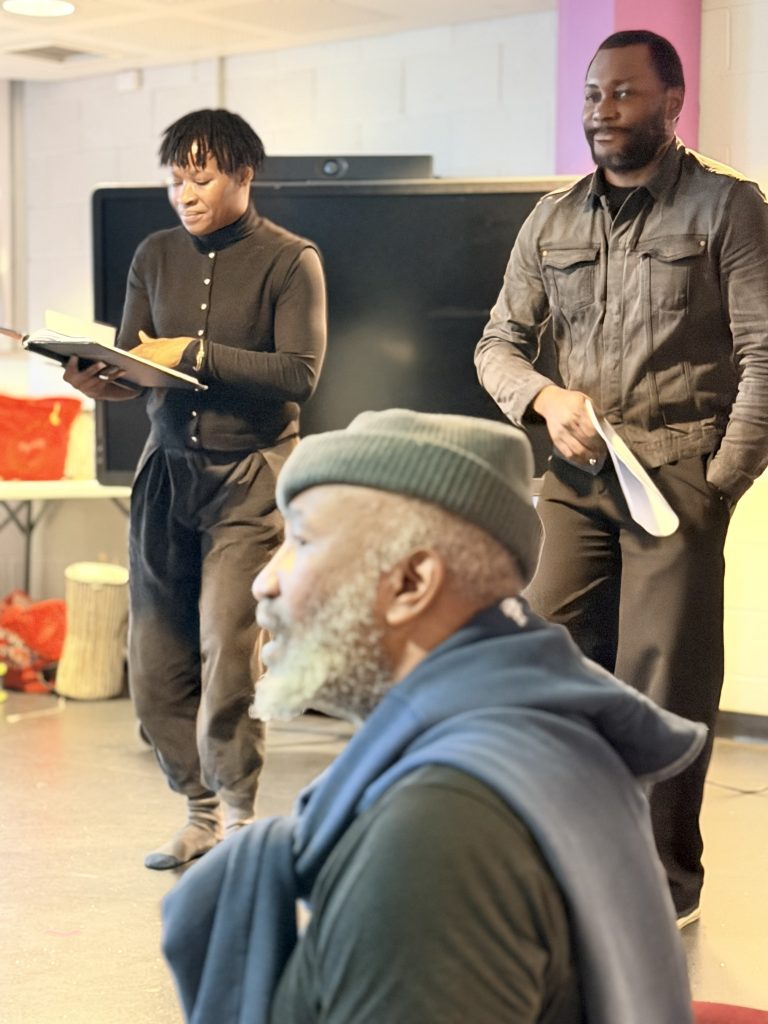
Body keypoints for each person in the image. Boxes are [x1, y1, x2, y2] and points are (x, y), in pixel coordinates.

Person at [161, 408, 703, 1024]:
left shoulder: (437, 828)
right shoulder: (546, 727)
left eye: (302, 541)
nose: (264, 582)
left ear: (412, 582)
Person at [475, 29, 768, 926]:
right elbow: (497, 345)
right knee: (541, 663)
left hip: (679, 475)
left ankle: (662, 886)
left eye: (625, 94)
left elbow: (765, 351)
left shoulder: (728, 207)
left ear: (672, 103)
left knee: (662, 684)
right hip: (577, 471)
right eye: (595, 94)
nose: (603, 111)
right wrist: (542, 398)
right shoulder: (552, 217)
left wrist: (719, 482)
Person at [63, 108, 327, 869]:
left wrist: (199, 352)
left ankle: (240, 817)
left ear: (244, 174)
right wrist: (95, 379)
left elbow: (299, 373)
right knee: (153, 664)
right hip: (166, 472)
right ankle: (198, 809)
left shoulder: (290, 260)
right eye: (177, 179)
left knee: (227, 648)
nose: (186, 193)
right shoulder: (152, 254)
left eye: (202, 178)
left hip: (250, 478)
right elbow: (133, 368)